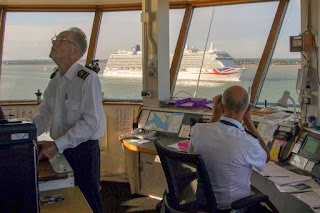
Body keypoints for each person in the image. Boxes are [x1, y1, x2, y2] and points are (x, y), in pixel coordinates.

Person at [32, 27, 105, 213]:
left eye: (61, 39)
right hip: (60, 148)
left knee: (88, 201)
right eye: (55, 38)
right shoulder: (55, 81)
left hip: (83, 151)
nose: (54, 42)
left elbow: (90, 123)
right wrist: (25, 137)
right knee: (68, 199)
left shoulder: (88, 79)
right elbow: (44, 116)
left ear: (75, 50)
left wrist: (56, 145)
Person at [188, 85, 270, 211]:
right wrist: (249, 123)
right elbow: (266, 157)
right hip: (235, 208)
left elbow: (192, 155)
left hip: (204, 205)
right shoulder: (248, 142)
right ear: (248, 109)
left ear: (220, 106)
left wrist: (215, 116)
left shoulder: (198, 130)